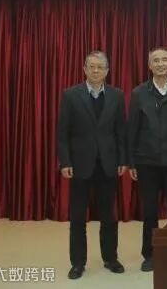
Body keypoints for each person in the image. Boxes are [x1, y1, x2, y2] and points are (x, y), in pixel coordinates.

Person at [57, 51, 127, 279]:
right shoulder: (71, 95)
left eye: (100, 67)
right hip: (80, 165)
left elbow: (121, 131)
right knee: (78, 217)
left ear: (107, 70)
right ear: (84, 69)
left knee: (109, 216)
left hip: (108, 164)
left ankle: (110, 258)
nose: (96, 70)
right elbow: (63, 133)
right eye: (92, 66)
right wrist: (65, 161)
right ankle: (78, 262)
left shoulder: (117, 95)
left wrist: (123, 159)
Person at [127, 48, 167, 272]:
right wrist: (132, 162)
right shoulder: (139, 93)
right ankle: (150, 254)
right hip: (147, 163)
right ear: (149, 66)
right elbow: (132, 129)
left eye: (165, 60)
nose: (161, 64)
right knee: (150, 212)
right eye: (156, 60)